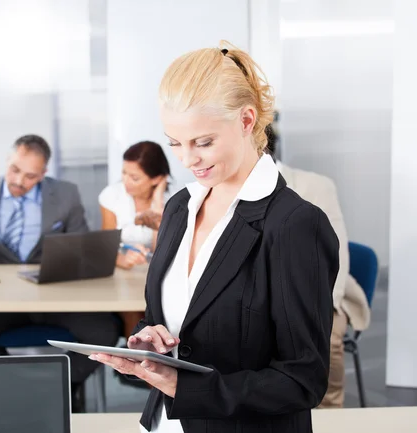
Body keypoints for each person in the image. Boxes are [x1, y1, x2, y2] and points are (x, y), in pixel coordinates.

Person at [89, 42, 340, 433]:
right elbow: (170, 320)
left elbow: (302, 380)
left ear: (246, 121)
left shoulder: (294, 225)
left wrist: (187, 387)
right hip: (163, 425)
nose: (187, 160)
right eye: (175, 143)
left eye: (202, 142)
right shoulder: (179, 209)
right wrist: (147, 339)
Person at [0, 134, 120, 412]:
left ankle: (55, 389)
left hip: (54, 295)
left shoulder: (66, 194)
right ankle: (20, 392)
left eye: (30, 176)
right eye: (15, 170)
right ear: (8, 160)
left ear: (43, 174)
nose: (19, 181)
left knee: (105, 331)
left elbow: (80, 246)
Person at [265, 124, 371, 408]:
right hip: (261, 297)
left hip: (319, 294)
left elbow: (337, 253)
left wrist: (323, 306)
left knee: (326, 340)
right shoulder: (220, 191)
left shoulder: (314, 185)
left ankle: (329, 410)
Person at [100, 140, 171, 271]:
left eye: (134, 178)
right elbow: (106, 247)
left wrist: (157, 205)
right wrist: (122, 259)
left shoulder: (173, 202)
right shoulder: (111, 195)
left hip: (154, 273)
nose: (125, 181)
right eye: (124, 173)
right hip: (121, 271)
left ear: (156, 179)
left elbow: (161, 253)